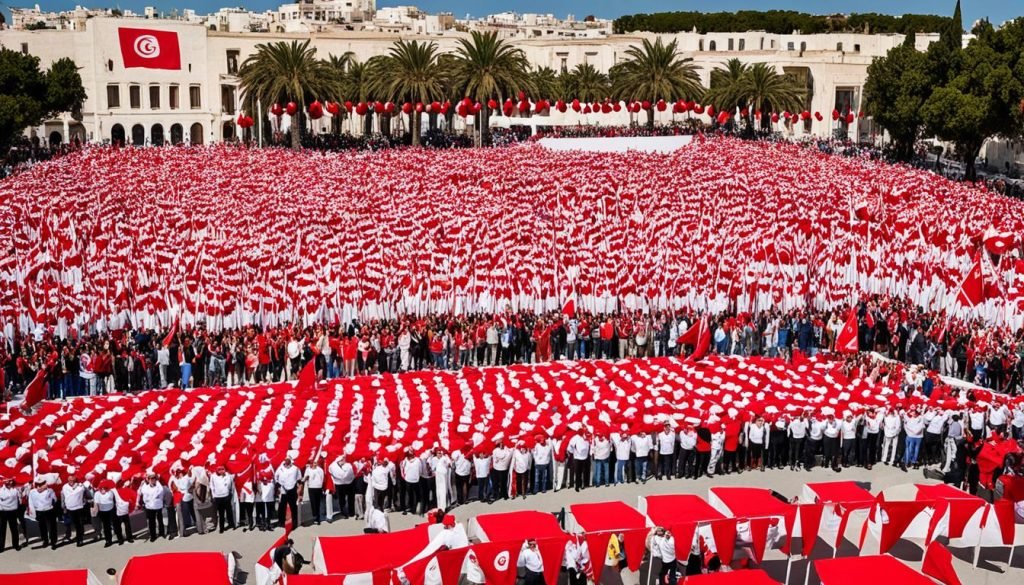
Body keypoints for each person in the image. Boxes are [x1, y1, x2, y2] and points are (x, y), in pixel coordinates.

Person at [28, 478, 58, 550]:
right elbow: (31, 503)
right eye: (39, 484)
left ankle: (53, 542)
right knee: (42, 527)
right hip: (39, 511)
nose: (40, 486)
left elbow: (55, 499)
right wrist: (33, 513)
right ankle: (45, 540)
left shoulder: (49, 491)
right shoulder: (32, 492)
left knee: (52, 527)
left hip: (49, 510)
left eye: (42, 484)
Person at [61, 473, 89, 546]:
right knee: (74, 524)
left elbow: (87, 494)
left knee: (79, 523)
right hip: (70, 508)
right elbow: (63, 497)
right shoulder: (65, 487)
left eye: (72, 480)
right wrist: (63, 507)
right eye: (70, 480)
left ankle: (80, 540)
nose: (71, 481)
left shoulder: (81, 486)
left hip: (79, 507)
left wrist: (86, 500)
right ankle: (74, 536)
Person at [275, 456, 302, 529]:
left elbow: (299, 479)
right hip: (283, 490)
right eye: (285, 459)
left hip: (292, 490)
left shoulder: (295, 468)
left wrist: (300, 492)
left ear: (290, 460)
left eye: (288, 460)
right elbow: (276, 477)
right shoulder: (280, 468)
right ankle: (281, 522)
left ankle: (294, 523)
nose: (287, 461)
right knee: (281, 507)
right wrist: (278, 487)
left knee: (293, 507)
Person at [138, 473, 166, 541]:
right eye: (151, 479)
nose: (152, 480)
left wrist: (157, 481)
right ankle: (153, 536)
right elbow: (140, 492)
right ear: (148, 480)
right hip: (150, 507)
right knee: (151, 522)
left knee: (160, 520)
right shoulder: (146, 487)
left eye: (154, 478)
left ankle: (161, 533)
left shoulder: (158, 487)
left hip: (158, 506)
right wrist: (142, 484)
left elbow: (161, 491)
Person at [92, 479, 119, 547]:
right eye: (101, 486)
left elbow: (115, 499)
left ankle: (119, 537)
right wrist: (95, 511)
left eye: (104, 486)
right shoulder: (97, 493)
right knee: (106, 526)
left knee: (115, 524)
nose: (102, 487)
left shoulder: (110, 492)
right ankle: (108, 540)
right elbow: (96, 503)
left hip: (111, 510)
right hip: (103, 511)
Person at [329, 455, 356, 519]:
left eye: (344, 458)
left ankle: (351, 512)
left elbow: (351, 473)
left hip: (349, 483)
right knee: (341, 499)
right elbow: (333, 473)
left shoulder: (348, 465)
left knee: (351, 498)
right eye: (342, 459)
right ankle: (344, 513)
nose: (344, 459)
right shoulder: (333, 466)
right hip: (339, 484)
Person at [210, 465, 235, 532]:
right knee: (221, 513)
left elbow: (231, 485)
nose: (221, 471)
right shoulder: (213, 476)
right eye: (219, 469)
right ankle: (221, 528)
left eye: (222, 469)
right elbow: (212, 486)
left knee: (229, 511)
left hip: (226, 495)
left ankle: (231, 524)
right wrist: (213, 496)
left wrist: (230, 493)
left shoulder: (228, 475)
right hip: (218, 497)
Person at [0, 476, 22, 552]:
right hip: (3, 512)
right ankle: (1, 547)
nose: (9, 482)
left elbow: (19, 499)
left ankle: (16, 545)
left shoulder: (15, 489)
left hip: (13, 511)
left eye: (10, 481)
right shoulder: (0, 490)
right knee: (2, 530)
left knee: (14, 529)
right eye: (8, 481)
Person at [303, 460, 325, 525]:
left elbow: (322, 478)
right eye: (312, 463)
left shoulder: (320, 470)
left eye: (315, 463)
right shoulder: (308, 470)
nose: (314, 464)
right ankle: (315, 515)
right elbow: (304, 478)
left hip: (318, 487)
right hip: (311, 487)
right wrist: (306, 478)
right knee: (313, 502)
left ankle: (318, 518)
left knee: (317, 503)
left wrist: (321, 486)